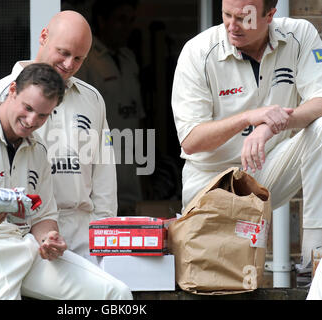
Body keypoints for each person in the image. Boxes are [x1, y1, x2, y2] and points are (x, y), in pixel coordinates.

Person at [0, 63, 132, 300]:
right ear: (12, 90)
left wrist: (49, 239)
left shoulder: (37, 148)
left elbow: (43, 217)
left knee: (116, 294)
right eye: (27, 108)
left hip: (22, 248)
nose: (31, 121)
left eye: (42, 115)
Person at [171, 0, 322, 273]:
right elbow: (191, 140)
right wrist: (249, 117)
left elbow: (320, 99)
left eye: (243, 18)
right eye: (226, 15)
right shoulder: (197, 51)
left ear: (271, 15)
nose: (232, 25)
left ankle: (315, 254)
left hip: (265, 169)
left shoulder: (300, 34)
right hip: (211, 184)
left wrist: (270, 125)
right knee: (219, 277)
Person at [0, 10, 117, 263]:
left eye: (79, 58)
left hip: (81, 231)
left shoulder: (92, 98)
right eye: (63, 53)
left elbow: (104, 172)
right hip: (18, 233)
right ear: (43, 37)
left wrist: (103, 231)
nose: (69, 64)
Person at [76, 0, 146, 215]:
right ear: (102, 21)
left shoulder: (129, 58)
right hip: (101, 155)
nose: (127, 26)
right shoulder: (86, 61)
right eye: (120, 19)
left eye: (130, 20)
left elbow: (139, 115)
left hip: (131, 155)